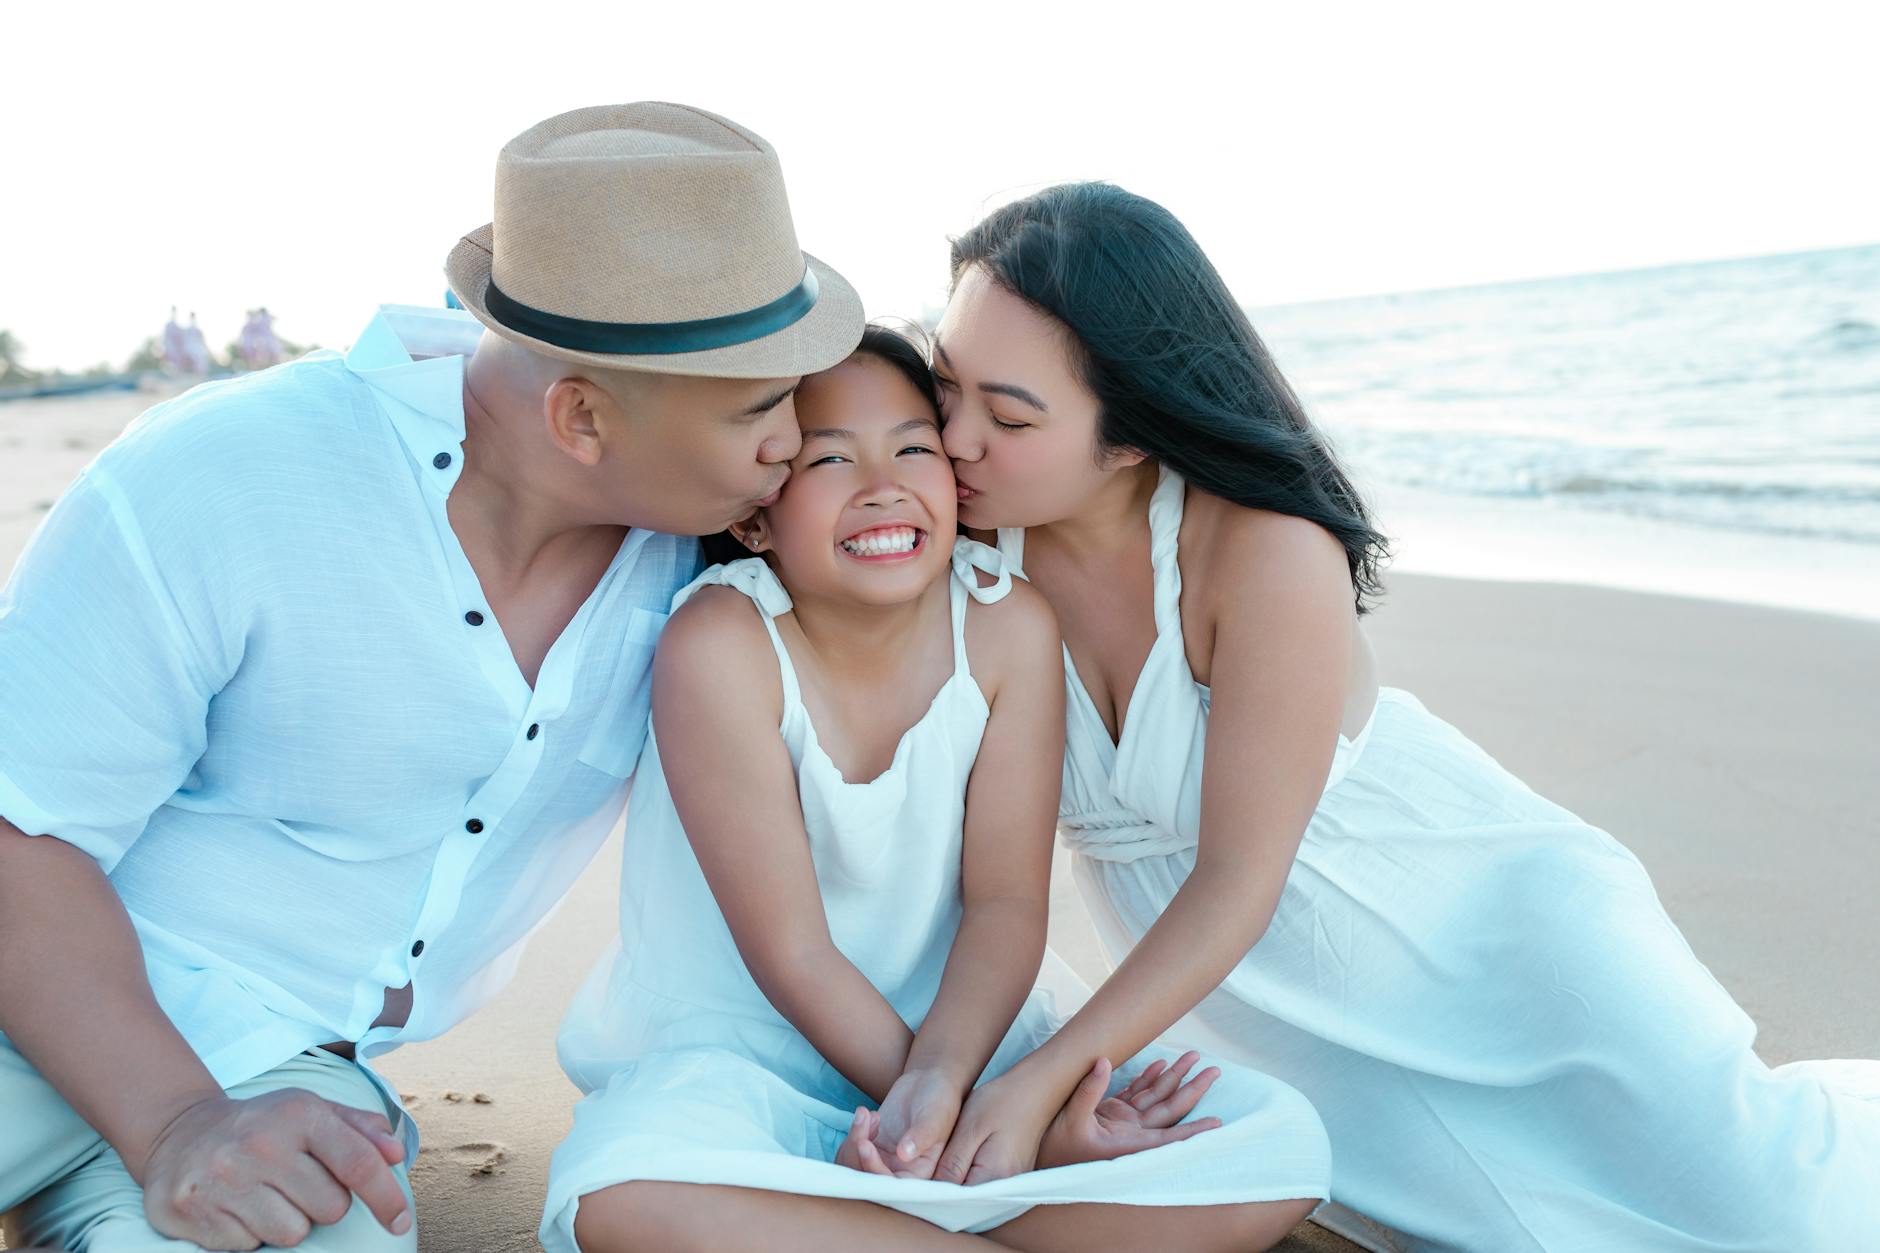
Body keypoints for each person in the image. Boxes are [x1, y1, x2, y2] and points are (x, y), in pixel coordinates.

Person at [927, 181, 1880, 1251]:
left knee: (1777, 1210)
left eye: (1006, 415)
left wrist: (1044, 1081)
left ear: (1132, 432)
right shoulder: (965, 558)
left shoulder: (1261, 550)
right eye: (944, 383)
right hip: (1267, 1017)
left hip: (1486, 939)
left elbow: (1239, 877)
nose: (952, 437)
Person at [0, 102, 863, 1252]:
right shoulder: (224, 480)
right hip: (37, 1003)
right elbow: (19, 831)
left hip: (292, 1078)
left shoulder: (710, 549)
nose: (792, 442)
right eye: (760, 403)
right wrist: (174, 1119)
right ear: (581, 417)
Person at [543, 326, 1329, 1253]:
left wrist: (962, 1093)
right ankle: (981, 1196)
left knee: (1281, 1149)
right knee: (618, 1194)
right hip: (741, 1059)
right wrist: (933, 1117)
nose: (883, 484)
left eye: (914, 446)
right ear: (757, 515)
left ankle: (921, 1204)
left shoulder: (1005, 626)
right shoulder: (720, 645)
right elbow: (791, 951)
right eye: (830, 457)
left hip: (966, 1037)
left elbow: (1003, 905)